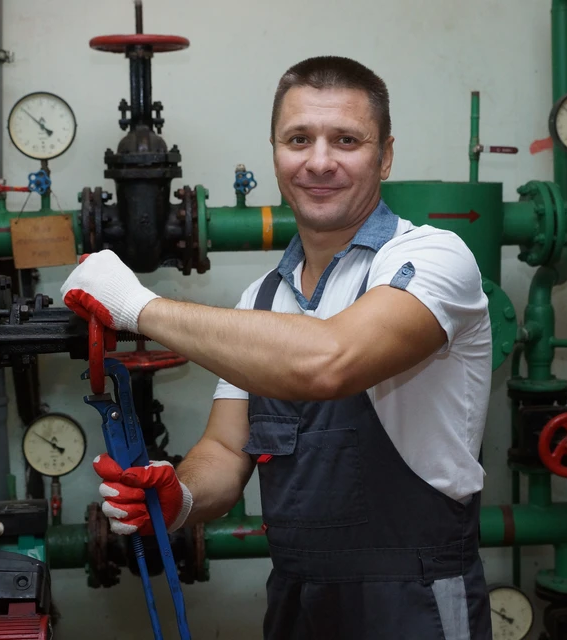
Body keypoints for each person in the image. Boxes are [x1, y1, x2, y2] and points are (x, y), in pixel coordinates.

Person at [61, 55, 494, 640]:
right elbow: (225, 448)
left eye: (346, 140)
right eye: (298, 139)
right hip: (296, 599)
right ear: (275, 154)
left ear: (386, 156)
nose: (319, 161)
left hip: (414, 601)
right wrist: (180, 496)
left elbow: (330, 360)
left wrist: (139, 307)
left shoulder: (432, 258)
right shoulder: (262, 299)